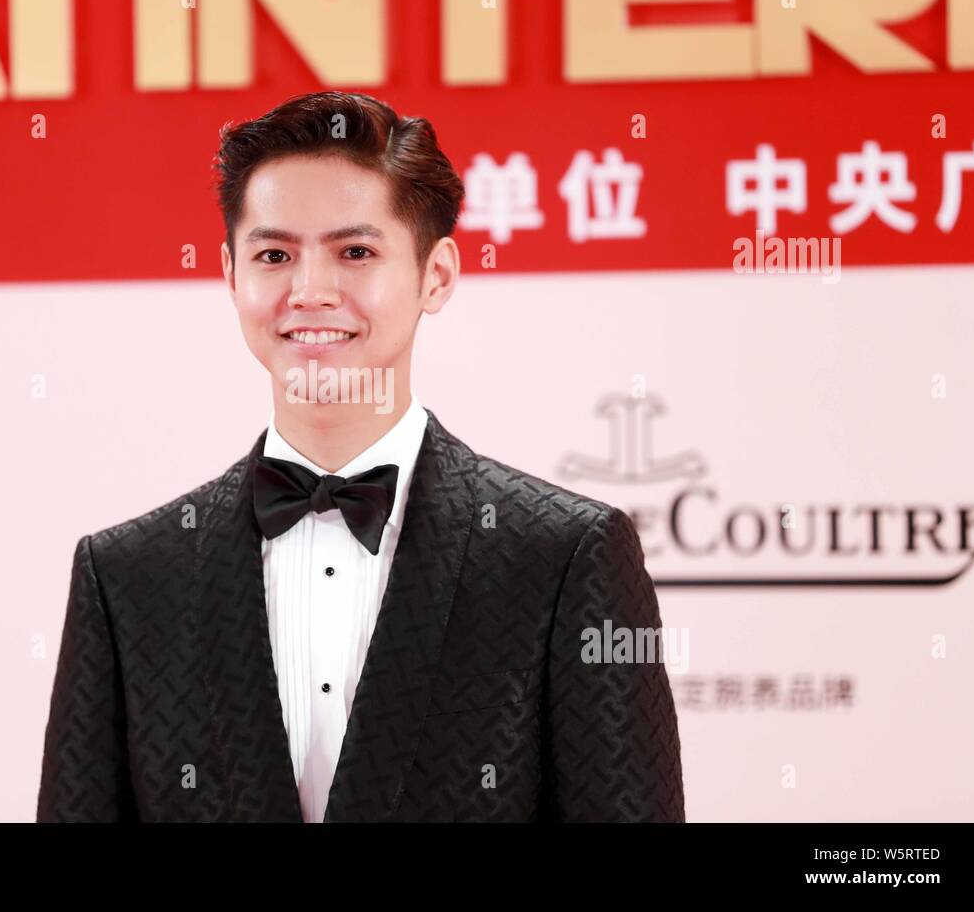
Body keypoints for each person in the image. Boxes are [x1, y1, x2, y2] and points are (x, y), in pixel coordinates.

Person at [36, 91, 684, 822]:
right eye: (275, 255)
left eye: (355, 252)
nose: (311, 292)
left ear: (436, 275)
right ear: (229, 274)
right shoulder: (126, 578)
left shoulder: (566, 557)